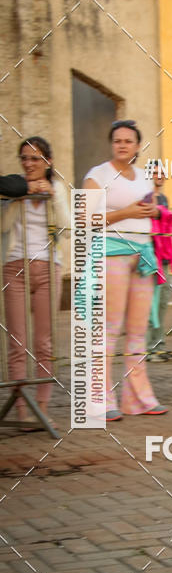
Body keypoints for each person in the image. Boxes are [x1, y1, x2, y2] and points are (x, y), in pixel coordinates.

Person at [83, 120, 168, 421]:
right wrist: (127, 212)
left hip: (142, 256)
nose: (122, 145)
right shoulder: (98, 175)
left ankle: (138, 399)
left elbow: (150, 211)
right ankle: (100, 401)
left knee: (138, 330)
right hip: (111, 256)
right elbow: (86, 218)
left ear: (137, 146)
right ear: (112, 144)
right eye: (117, 140)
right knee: (109, 329)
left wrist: (153, 211)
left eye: (128, 141)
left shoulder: (145, 177)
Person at [2, 137, 70, 427]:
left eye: (35, 158)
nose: (29, 164)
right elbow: (3, 227)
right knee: (17, 341)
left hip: (48, 268)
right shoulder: (14, 187)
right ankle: (21, 409)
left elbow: (66, 226)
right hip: (14, 267)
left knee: (45, 341)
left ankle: (42, 406)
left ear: (48, 162)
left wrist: (51, 195)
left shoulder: (57, 188)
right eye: (25, 158)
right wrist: (19, 196)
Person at [146, 166, 172, 362]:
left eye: (162, 173)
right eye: (155, 173)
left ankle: (159, 345)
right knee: (152, 304)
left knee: (163, 303)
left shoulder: (164, 198)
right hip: (150, 257)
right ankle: (149, 348)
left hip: (164, 257)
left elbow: (166, 225)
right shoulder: (145, 197)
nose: (160, 176)